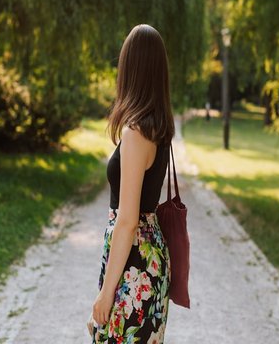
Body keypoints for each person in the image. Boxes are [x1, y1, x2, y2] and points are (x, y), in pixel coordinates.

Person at [90, 24, 175, 343]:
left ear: (130, 69)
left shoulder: (136, 133)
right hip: (146, 258)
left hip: (134, 261)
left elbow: (127, 221)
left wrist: (105, 295)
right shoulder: (159, 127)